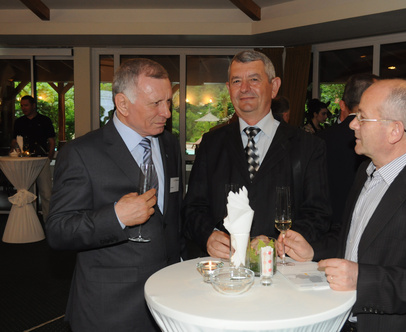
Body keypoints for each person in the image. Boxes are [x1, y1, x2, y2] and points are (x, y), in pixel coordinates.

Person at [279, 79, 406, 332]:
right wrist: (312, 250)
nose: (353, 124)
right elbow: (353, 240)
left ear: (394, 131)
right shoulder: (365, 172)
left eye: (362, 117)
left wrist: (363, 279)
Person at [45, 58, 183, 332]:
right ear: (122, 104)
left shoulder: (169, 143)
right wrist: (116, 217)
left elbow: (171, 217)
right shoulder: (81, 153)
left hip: (169, 297)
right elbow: (58, 230)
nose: (166, 113)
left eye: (169, 102)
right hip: (111, 307)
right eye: (155, 103)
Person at [183, 50, 331, 260]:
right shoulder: (211, 144)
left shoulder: (308, 146)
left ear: (274, 86)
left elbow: (319, 215)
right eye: (236, 81)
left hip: (282, 271)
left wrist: (277, 243)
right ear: (228, 88)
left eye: (254, 79)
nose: (244, 88)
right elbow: (192, 209)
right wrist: (208, 235)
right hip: (225, 271)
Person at [317, 74, 378, 226]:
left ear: (345, 104)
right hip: (365, 223)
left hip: (325, 224)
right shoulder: (378, 139)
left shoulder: (320, 139)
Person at [11, 95, 55, 222]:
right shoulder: (19, 122)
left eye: (26, 105)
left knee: (46, 193)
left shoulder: (45, 120)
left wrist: (49, 156)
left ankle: (49, 222)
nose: (23, 108)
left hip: (41, 160)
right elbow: (15, 140)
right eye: (22, 105)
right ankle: (29, 222)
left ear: (33, 105)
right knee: (26, 192)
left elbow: (51, 140)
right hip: (25, 161)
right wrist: (12, 151)